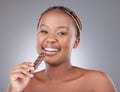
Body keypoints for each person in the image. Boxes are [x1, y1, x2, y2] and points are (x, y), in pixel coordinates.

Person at [7, 6, 117, 92]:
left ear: (76, 42)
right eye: (44, 31)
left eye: (62, 33)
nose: (50, 39)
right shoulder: (23, 83)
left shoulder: (97, 81)